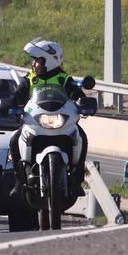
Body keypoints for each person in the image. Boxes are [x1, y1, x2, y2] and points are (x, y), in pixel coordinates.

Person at [11, 37, 89, 193]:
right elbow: (17, 96)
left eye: (37, 60)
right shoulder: (30, 79)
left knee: (82, 137)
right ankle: (19, 182)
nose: (33, 64)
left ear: (49, 61)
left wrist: (84, 103)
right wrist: (11, 105)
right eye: (33, 61)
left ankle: (77, 178)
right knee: (14, 140)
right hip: (34, 121)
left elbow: (77, 93)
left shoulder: (64, 78)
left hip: (61, 120)